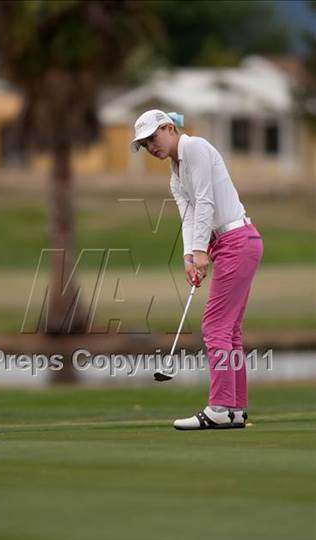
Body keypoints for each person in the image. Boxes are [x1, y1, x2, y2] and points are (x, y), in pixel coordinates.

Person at [130, 109, 264, 430]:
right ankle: (234, 409)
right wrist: (190, 256)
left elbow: (205, 200)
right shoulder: (175, 174)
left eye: (152, 138)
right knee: (229, 331)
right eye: (145, 144)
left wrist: (203, 250)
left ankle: (219, 407)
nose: (151, 147)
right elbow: (188, 215)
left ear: (168, 128)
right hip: (233, 243)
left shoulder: (195, 148)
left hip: (235, 239)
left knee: (215, 326)